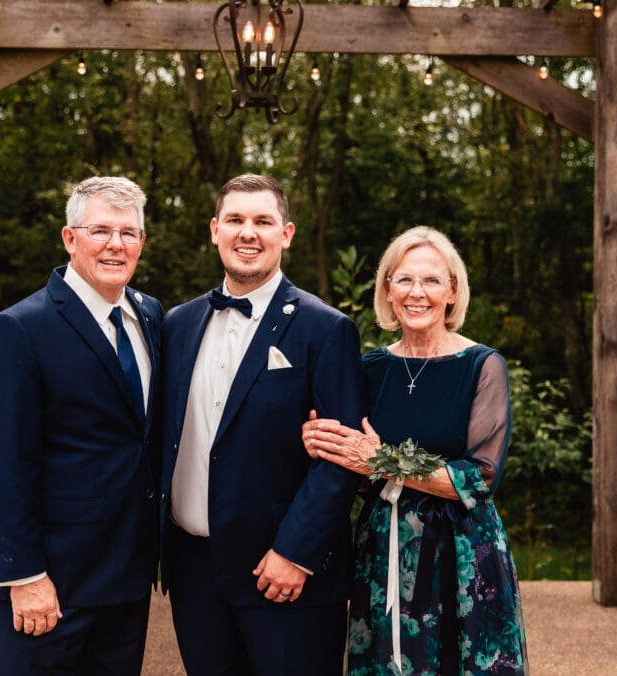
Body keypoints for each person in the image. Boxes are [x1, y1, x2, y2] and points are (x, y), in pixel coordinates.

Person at [159, 173, 368, 675]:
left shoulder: (326, 328)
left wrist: (295, 552)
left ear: (286, 234)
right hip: (194, 572)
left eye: (262, 221)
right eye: (235, 219)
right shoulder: (177, 324)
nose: (247, 232)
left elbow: (341, 457)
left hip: (283, 570)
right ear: (214, 230)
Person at [302, 226, 528, 675]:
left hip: (461, 552)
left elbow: (479, 478)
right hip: (383, 549)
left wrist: (383, 461)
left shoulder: (483, 366)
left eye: (431, 280)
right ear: (387, 289)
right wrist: (320, 443)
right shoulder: (369, 369)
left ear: (452, 290)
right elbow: (355, 466)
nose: (416, 293)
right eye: (403, 279)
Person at [0, 176, 162, 675]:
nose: (116, 244)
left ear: (142, 242)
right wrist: (24, 575)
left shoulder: (150, 315)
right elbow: (3, 462)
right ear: (69, 238)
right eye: (100, 230)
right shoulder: (20, 328)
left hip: (126, 576)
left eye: (129, 233)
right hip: (52, 579)